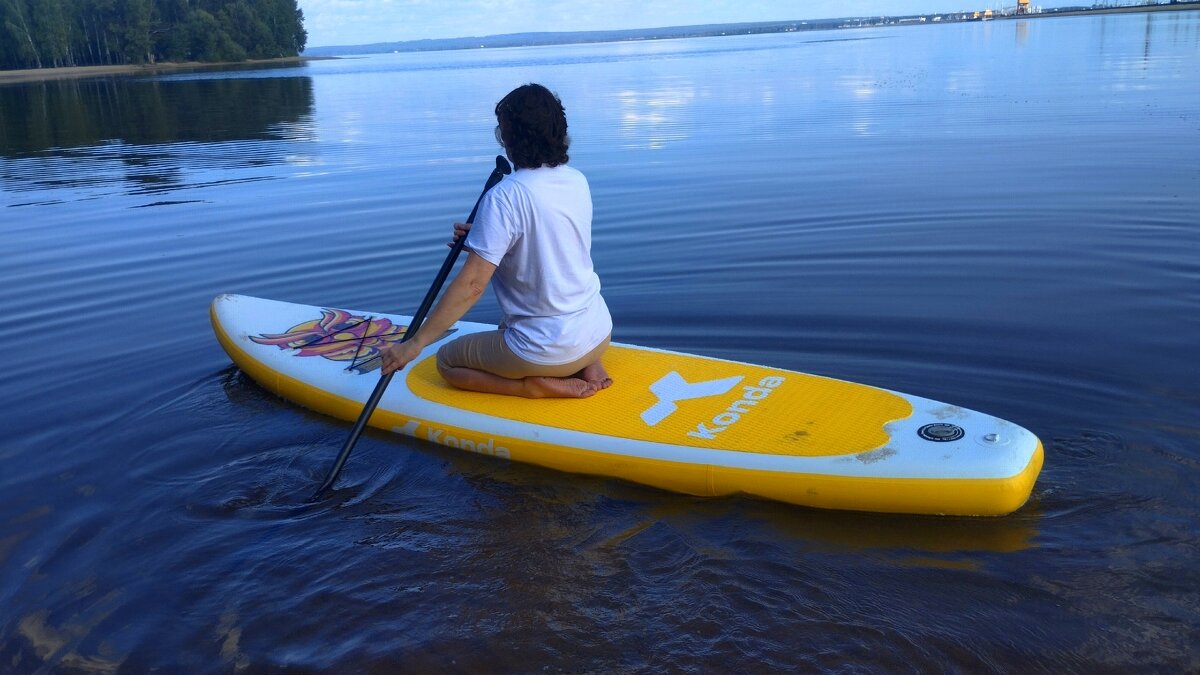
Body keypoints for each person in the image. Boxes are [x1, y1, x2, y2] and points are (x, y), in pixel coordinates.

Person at [379, 83, 613, 399]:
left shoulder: (505, 196)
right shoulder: (575, 179)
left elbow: (473, 285)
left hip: (552, 349)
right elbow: (548, 238)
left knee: (447, 362)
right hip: (599, 331)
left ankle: (532, 387)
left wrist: (414, 345)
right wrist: (486, 233)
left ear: (511, 138)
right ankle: (587, 363)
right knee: (509, 323)